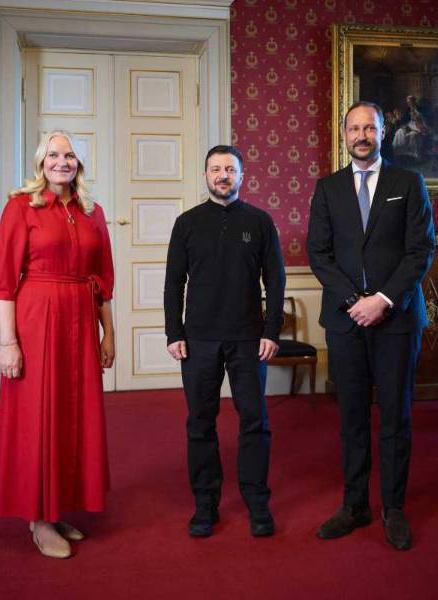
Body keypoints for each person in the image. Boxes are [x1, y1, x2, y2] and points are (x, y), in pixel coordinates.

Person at [307, 101, 435, 550]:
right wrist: (354, 303)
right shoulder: (327, 189)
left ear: (383, 132)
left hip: (397, 319)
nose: (361, 136)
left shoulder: (409, 183)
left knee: (396, 416)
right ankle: (355, 505)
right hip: (345, 322)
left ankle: (393, 508)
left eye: (370, 128)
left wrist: (381, 300)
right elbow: (319, 255)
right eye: (354, 128)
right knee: (352, 418)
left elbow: (420, 251)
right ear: (344, 135)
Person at [0, 130, 115, 559]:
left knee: (72, 415)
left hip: (80, 323)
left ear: (79, 163)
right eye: (53, 154)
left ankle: (56, 506)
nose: (61, 162)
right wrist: (8, 343)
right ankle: (38, 519)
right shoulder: (20, 207)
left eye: (69, 155)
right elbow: (3, 283)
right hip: (36, 322)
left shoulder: (92, 212)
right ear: (40, 161)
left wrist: (108, 333)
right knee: (39, 417)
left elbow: (103, 280)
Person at [164, 145, 285, 538]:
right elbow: (173, 282)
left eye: (230, 169)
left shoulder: (260, 221)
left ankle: (257, 500)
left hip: (248, 338)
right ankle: (205, 503)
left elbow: (276, 280)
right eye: (215, 169)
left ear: (242, 176)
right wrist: (173, 333)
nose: (222, 176)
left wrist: (271, 331)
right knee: (200, 422)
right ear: (205, 175)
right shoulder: (186, 223)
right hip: (198, 340)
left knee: (255, 421)